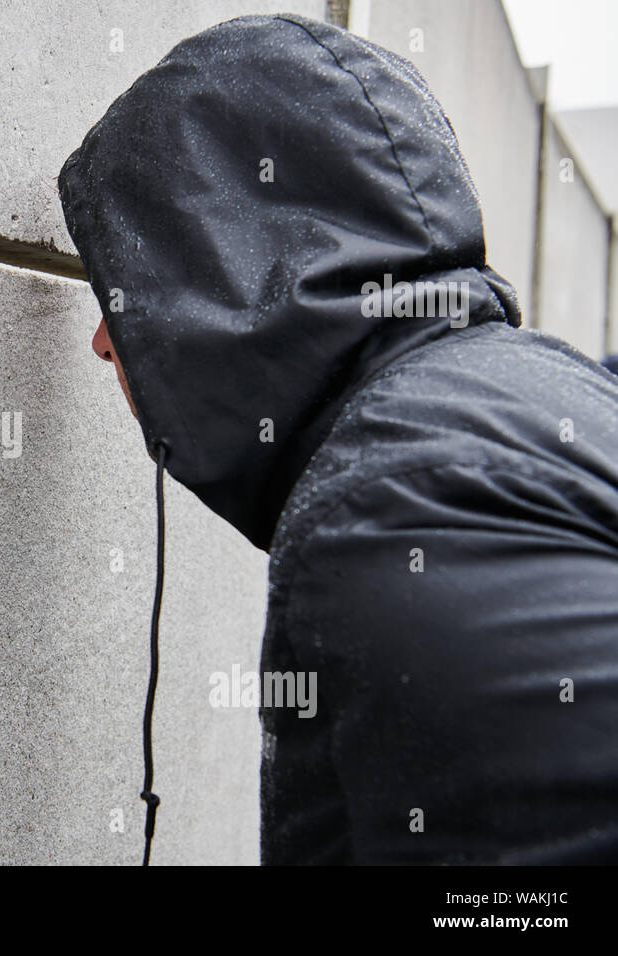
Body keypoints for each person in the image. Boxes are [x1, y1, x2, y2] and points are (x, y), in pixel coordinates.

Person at [59, 13, 618, 864]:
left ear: (223, 276)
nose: (104, 339)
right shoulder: (528, 392)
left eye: (129, 281)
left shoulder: (397, 500)